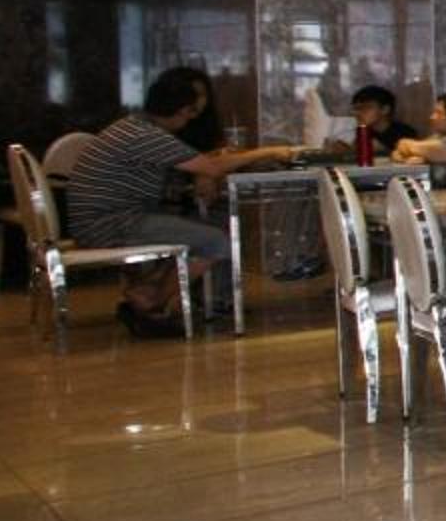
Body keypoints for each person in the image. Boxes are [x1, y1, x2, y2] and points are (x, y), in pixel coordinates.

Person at [66, 66, 296, 335]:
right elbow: (212, 167)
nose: (192, 119)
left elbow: (199, 165)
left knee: (196, 228)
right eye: (191, 112)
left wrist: (206, 169)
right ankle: (152, 302)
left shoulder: (134, 126)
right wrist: (270, 152)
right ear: (182, 110)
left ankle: (146, 291)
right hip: (110, 224)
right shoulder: (147, 135)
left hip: (101, 221)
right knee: (216, 241)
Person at [329, 85, 418, 167]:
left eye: (366, 107)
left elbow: (412, 161)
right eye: (356, 108)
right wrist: (344, 151)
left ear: (385, 109)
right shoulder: (362, 133)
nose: (358, 113)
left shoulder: (405, 133)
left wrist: (383, 150)